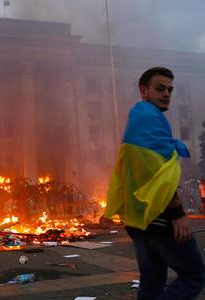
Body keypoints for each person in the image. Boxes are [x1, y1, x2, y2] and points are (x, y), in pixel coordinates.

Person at [105, 67, 205, 299]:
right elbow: (154, 174)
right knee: (194, 277)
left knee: (151, 285)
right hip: (158, 216)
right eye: (160, 88)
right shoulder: (148, 118)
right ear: (143, 90)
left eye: (170, 89)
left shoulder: (140, 118)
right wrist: (178, 212)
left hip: (139, 217)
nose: (167, 94)